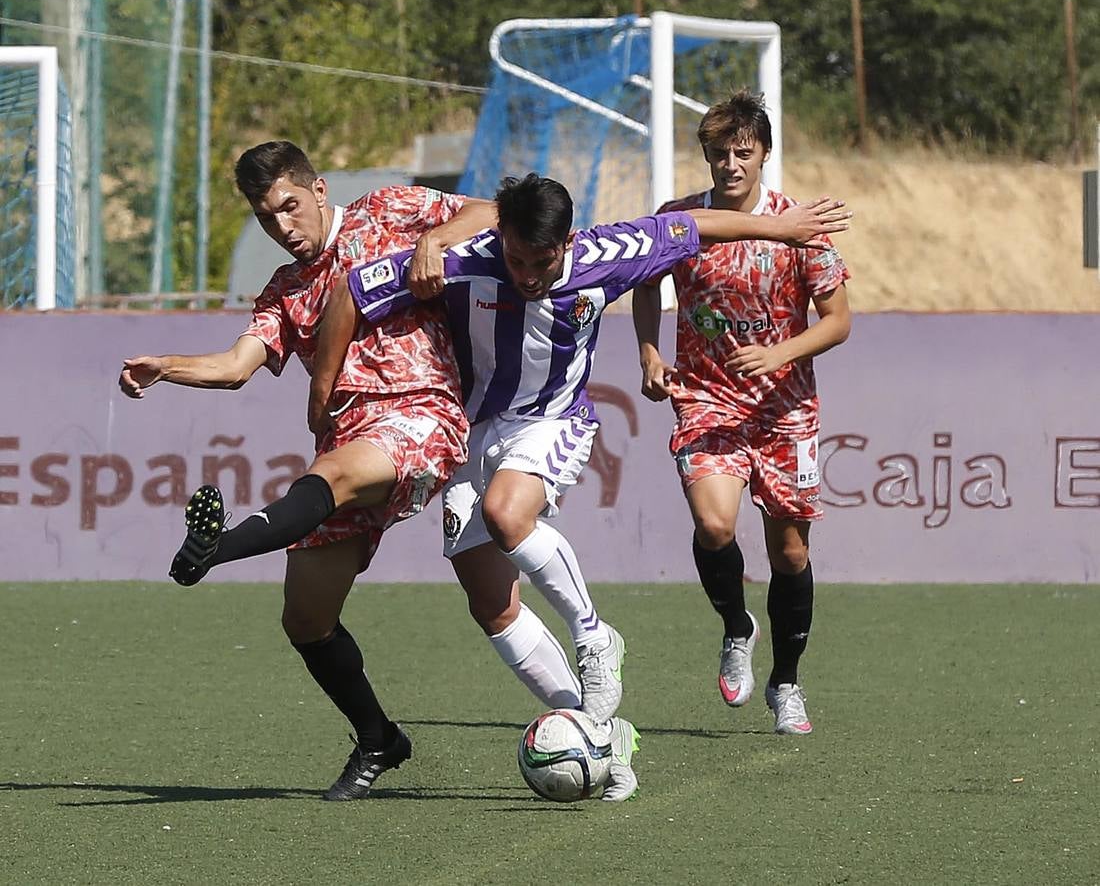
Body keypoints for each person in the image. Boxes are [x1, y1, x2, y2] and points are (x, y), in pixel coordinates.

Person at [312, 173, 850, 800]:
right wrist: (321, 393)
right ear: (502, 235)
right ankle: (599, 735)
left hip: (553, 422)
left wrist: (780, 227)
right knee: (490, 604)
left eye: (542, 261)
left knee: (508, 515)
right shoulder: (465, 259)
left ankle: (595, 633)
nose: (528, 273)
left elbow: (694, 226)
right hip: (469, 430)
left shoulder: (603, 253)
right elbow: (353, 291)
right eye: (516, 257)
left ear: (567, 241)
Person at [118, 140, 497, 799]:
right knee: (306, 619)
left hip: (419, 415)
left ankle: (218, 547)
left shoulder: (391, 209)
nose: (283, 227)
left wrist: (438, 238)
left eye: (290, 207)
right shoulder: (285, 289)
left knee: (338, 477)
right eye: (267, 218)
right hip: (346, 442)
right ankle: (380, 738)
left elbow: (492, 210)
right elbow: (237, 366)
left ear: (319, 189)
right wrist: (167, 366)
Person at [633, 89, 852, 736]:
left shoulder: (799, 223)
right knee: (715, 524)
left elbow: (838, 321)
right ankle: (736, 626)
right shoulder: (677, 221)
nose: (730, 165)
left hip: (785, 409)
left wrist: (780, 351)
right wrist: (649, 350)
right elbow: (645, 286)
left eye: (743, 153)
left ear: (764, 155)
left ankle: (786, 682)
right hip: (706, 398)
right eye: (719, 153)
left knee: (788, 553)